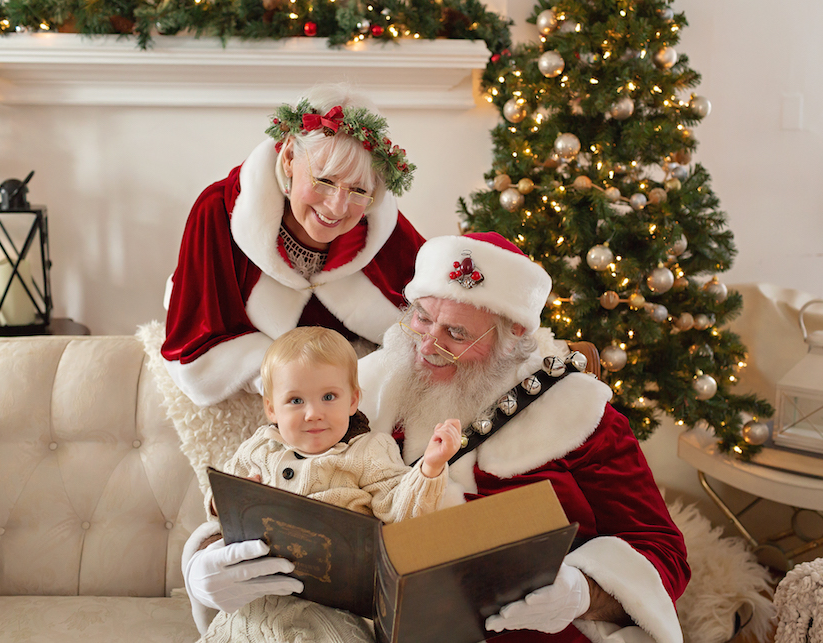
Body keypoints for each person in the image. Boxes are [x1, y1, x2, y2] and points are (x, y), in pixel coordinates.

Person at [357, 232, 690, 643]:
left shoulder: (576, 411)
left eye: (457, 334)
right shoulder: (364, 387)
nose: (427, 345)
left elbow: (662, 550)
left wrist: (582, 592)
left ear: (511, 336)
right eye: (423, 317)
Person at [185, 326, 464, 642]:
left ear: (352, 400)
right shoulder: (259, 447)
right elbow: (221, 499)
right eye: (295, 400)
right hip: (255, 603)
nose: (313, 413)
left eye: (329, 397)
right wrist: (220, 502)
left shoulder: (369, 451)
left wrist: (430, 467)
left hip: (332, 612)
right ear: (271, 408)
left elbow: (399, 511)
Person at [162, 84, 426, 408]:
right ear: (289, 158)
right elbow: (197, 344)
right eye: (325, 181)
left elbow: (434, 302)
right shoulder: (217, 212)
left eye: (357, 189)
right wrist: (284, 377)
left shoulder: (377, 225)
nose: (338, 207)